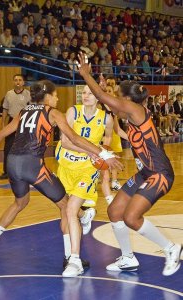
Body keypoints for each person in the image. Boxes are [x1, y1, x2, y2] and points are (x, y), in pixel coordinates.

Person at [0, 80, 120, 265]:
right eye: (55, 96)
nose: (57, 99)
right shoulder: (52, 113)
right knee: (65, 206)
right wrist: (101, 152)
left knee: (20, 202)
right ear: (48, 96)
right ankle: (68, 256)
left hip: (12, 163)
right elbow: (74, 138)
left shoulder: (23, 112)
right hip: (32, 164)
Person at [77, 53, 182, 277]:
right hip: (146, 173)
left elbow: (106, 100)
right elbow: (110, 107)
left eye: (118, 96)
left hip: (161, 174)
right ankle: (128, 258)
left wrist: (87, 75)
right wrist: (104, 88)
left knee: (131, 217)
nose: (116, 99)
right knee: (114, 211)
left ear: (127, 99)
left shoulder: (137, 111)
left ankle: (171, 248)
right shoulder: (128, 114)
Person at [55, 85, 118, 277]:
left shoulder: (106, 118)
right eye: (83, 93)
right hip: (65, 166)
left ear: (98, 97)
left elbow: (108, 137)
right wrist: (95, 152)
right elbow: (65, 141)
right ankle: (83, 219)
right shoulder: (73, 112)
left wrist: (102, 150)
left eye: (90, 93)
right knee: (64, 212)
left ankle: (75, 260)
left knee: (70, 209)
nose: (86, 96)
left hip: (87, 170)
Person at [0, 74, 31, 180]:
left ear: (23, 82)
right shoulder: (9, 94)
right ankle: (6, 172)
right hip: (12, 122)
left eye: (20, 80)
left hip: (24, 122)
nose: (18, 82)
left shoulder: (28, 94)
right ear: (13, 82)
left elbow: (32, 109)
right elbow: (5, 109)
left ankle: (25, 171)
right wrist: (3, 123)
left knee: (25, 147)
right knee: (8, 147)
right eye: (16, 80)